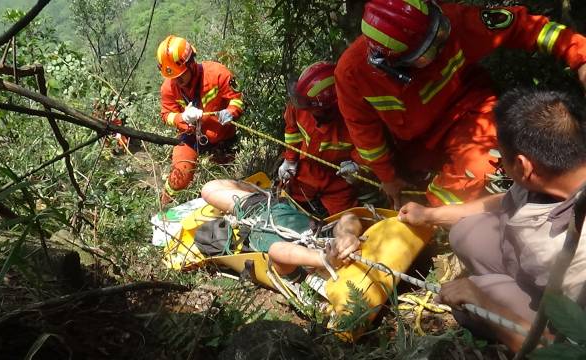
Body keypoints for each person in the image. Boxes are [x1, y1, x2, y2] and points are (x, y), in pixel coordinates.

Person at [335, 0, 586, 208]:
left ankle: (437, 219)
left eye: (439, 32)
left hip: (468, 113)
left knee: (476, 171)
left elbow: (523, 26)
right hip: (414, 144)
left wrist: (580, 55)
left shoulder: (454, 21)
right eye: (426, 52)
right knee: (383, 176)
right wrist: (388, 177)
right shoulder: (352, 74)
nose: (440, 44)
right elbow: (363, 133)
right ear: (392, 64)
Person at [398, 89, 586, 351]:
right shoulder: (553, 176)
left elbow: (571, 351)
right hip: (537, 270)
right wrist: (430, 215)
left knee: (470, 298)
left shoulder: (574, 258)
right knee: (466, 233)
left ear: (523, 166)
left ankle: (501, 311)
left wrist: (485, 303)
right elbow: (506, 200)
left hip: (567, 317)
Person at [200, 179, 362, 276]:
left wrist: (323, 259)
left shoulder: (301, 270)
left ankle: (254, 191)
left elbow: (277, 250)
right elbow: (349, 218)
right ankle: (257, 190)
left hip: (253, 211)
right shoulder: (329, 240)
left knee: (208, 190)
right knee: (211, 189)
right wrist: (346, 234)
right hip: (274, 207)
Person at [157, 35, 244, 206]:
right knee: (179, 177)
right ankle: (164, 207)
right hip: (191, 136)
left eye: (180, 76)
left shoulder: (218, 74)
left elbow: (237, 98)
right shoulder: (169, 87)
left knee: (223, 182)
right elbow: (166, 115)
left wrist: (231, 113)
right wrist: (182, 118)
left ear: (191, 64)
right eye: (173, 77)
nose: (177, 81)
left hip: (222, 135)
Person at [279, 61, 361, 216]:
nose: (303, 109)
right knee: (288, 205)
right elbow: (292, 130)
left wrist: (359, 167)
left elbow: (370, 147)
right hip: (307, 170)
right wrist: (290, 160)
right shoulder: (302, 102)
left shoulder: (353, 119)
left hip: (338, 178)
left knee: (344, 220)